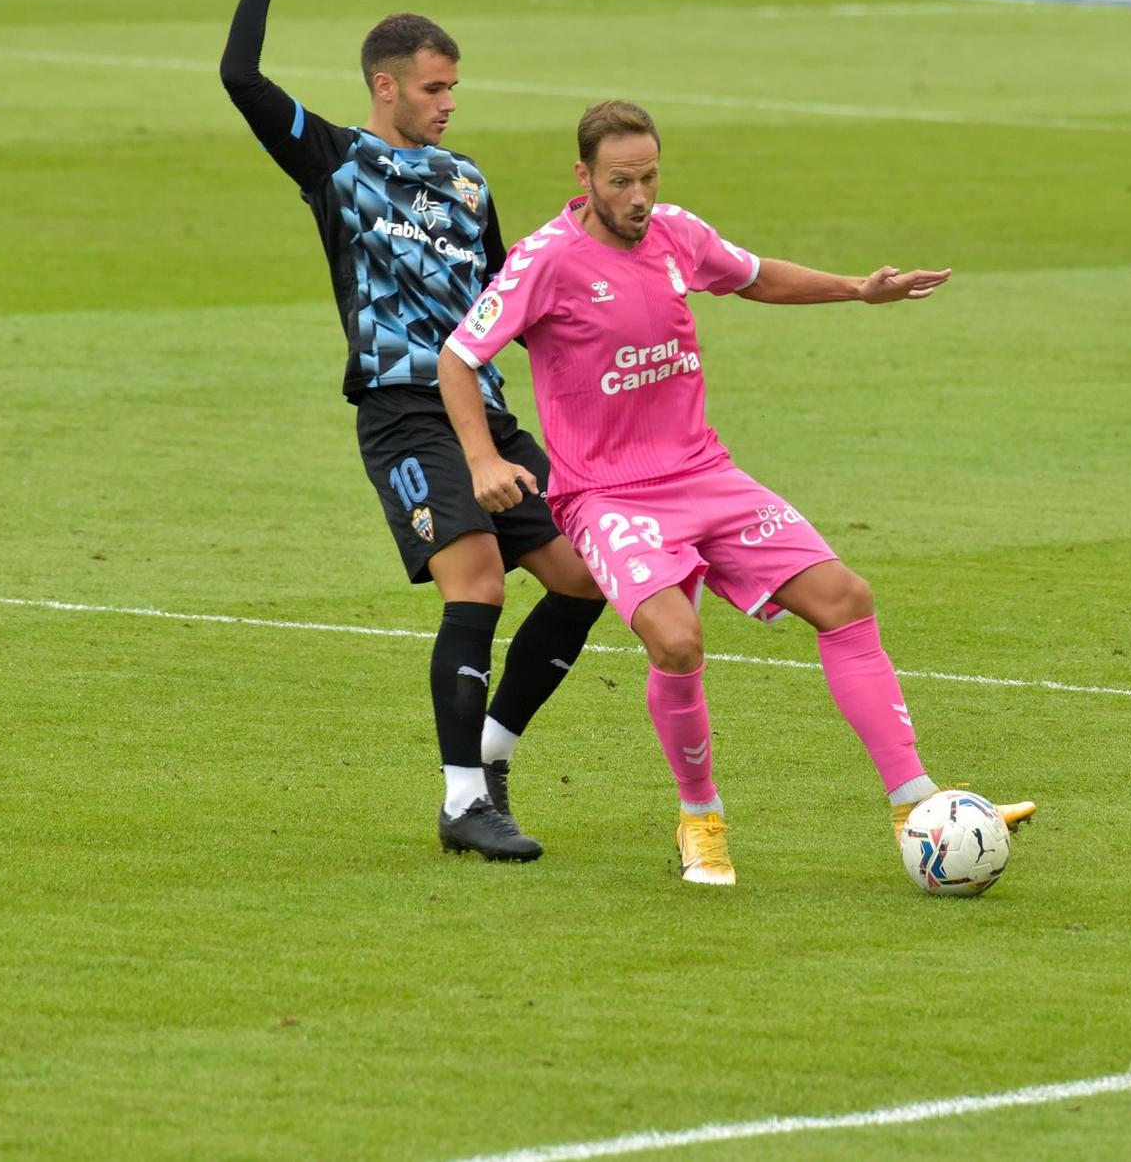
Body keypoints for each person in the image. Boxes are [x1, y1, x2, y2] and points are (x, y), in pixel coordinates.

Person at [436, 99, 1033, 886]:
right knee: (678, 641)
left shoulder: (678, 231)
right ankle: (700, 819)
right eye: (622, 180)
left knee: (846, 597)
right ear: (583, 177)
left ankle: (915, 802)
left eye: (649, 175)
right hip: (607, 497)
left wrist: (858, 289)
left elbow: (752, 277)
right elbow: (458, 355)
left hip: (705, 474)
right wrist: (481, 459)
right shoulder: (544, 260)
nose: (640, 195)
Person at [218, 0, 604, 863]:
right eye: (434, 88)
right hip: (402, 411)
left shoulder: (467, 182)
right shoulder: (336, 161)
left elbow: (510, 290)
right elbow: (242, 81)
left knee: (584, 580)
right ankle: (463, 802)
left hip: (487, 410)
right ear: (385, 85)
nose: (448, 105)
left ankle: (491, 749)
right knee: (473, 581)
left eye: (454, 89)